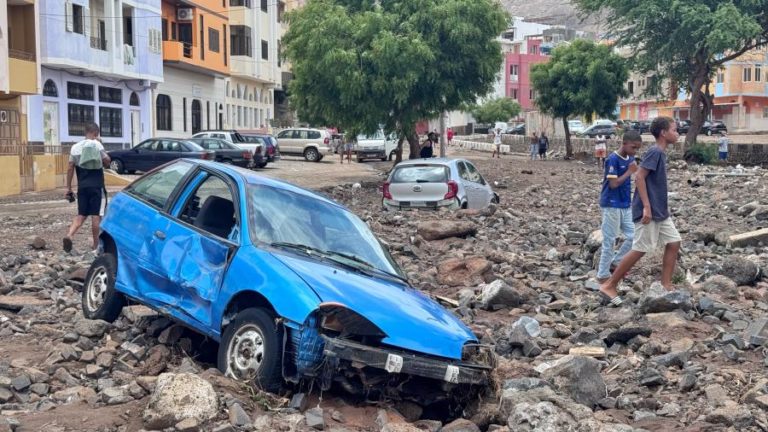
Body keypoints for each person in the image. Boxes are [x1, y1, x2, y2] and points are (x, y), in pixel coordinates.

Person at [599, 116, 682, 306]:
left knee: (674, 242)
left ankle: (666, 283)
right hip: (650, 209)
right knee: (640, 248)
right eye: (674, 130)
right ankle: (609, 285)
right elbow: (639, 177)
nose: (677, 133)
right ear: (663, 133)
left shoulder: (660, 153)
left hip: (660, 210)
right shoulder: (655, 152)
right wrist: (646, 207)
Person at [596, 131, 642, 284]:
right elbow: (613, 184)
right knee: (609, 240)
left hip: (625, 204)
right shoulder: (612, 159)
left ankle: (616, 262)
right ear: (624, 143)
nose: (635, 151)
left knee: (634, 236)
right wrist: (629, 172)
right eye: (633, 147)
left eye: (637, 148)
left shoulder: (630, 159)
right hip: (611, 204)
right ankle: (602, 274)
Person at [63, 122, 111, 253]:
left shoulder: (75, 148)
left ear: (85, 132)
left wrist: (68, 187)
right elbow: (107, 161)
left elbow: (70, 167)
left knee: (81, 214)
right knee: (96, 215)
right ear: (96, 133)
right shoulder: (97, 144)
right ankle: (96, 245)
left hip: (82, 187)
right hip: (97, 186)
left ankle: (70, 235)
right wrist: (104, 157)